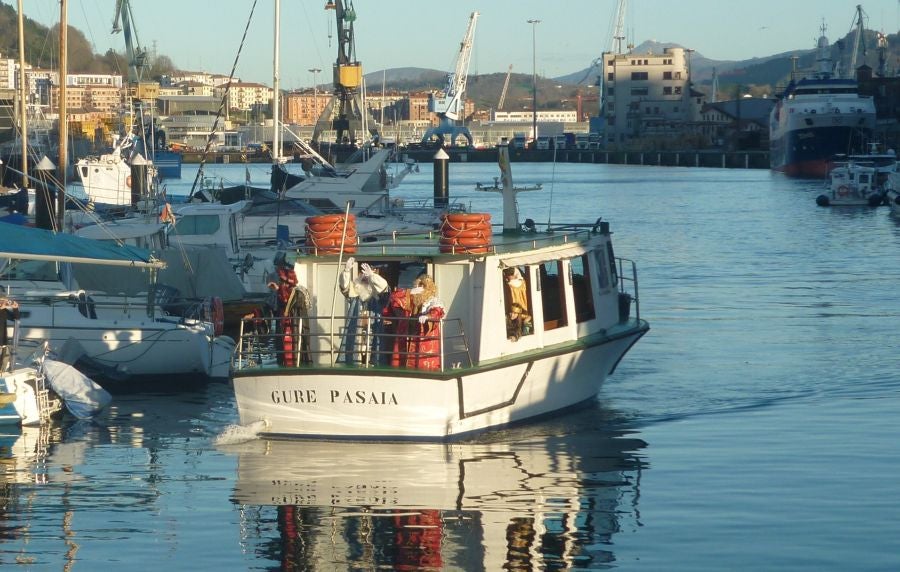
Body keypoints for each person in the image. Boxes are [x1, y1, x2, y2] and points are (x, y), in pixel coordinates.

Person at [339, 257, 389, 365]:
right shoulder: (354, 293)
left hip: (373, 330)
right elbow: (344, 286)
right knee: (355, 352)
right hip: (356, 330)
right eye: (363, 273)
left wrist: (371, 276)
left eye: (367, 273)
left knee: (373, 353)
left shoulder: (379, 295)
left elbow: (384, 287)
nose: (365, 276)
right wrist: (346, 271)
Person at [406, 273, 445, 370]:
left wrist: (428, 316)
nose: (419, 289)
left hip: (425, 337)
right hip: (412, 335)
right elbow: (395, 298)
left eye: (422, 286)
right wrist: (409, 292)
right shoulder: (412, 301)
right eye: (417, 286)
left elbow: (437, 311)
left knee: (423, 362)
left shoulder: (434, 301)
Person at [503, 267, 532, 341]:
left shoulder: (509, 285)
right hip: (523, 309)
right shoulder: (523, 282)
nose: (512, 315)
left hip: (516, 308)